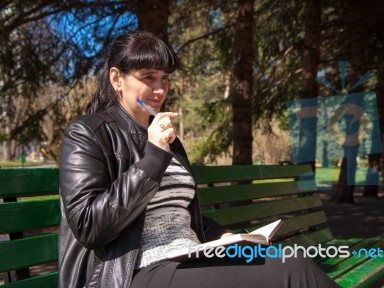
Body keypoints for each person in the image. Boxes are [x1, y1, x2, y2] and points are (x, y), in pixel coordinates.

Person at [58, 29, 339, 288]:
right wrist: (152, 159)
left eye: (164, 78)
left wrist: (223, 237)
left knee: (289, 260)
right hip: (136, 272)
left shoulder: (170, 141)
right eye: (148, 77)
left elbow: (180, 215)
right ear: (117, 78)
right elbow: (88, 226)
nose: (160, 90)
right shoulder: (88, 133)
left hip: (190, 258)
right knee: (290, 271)